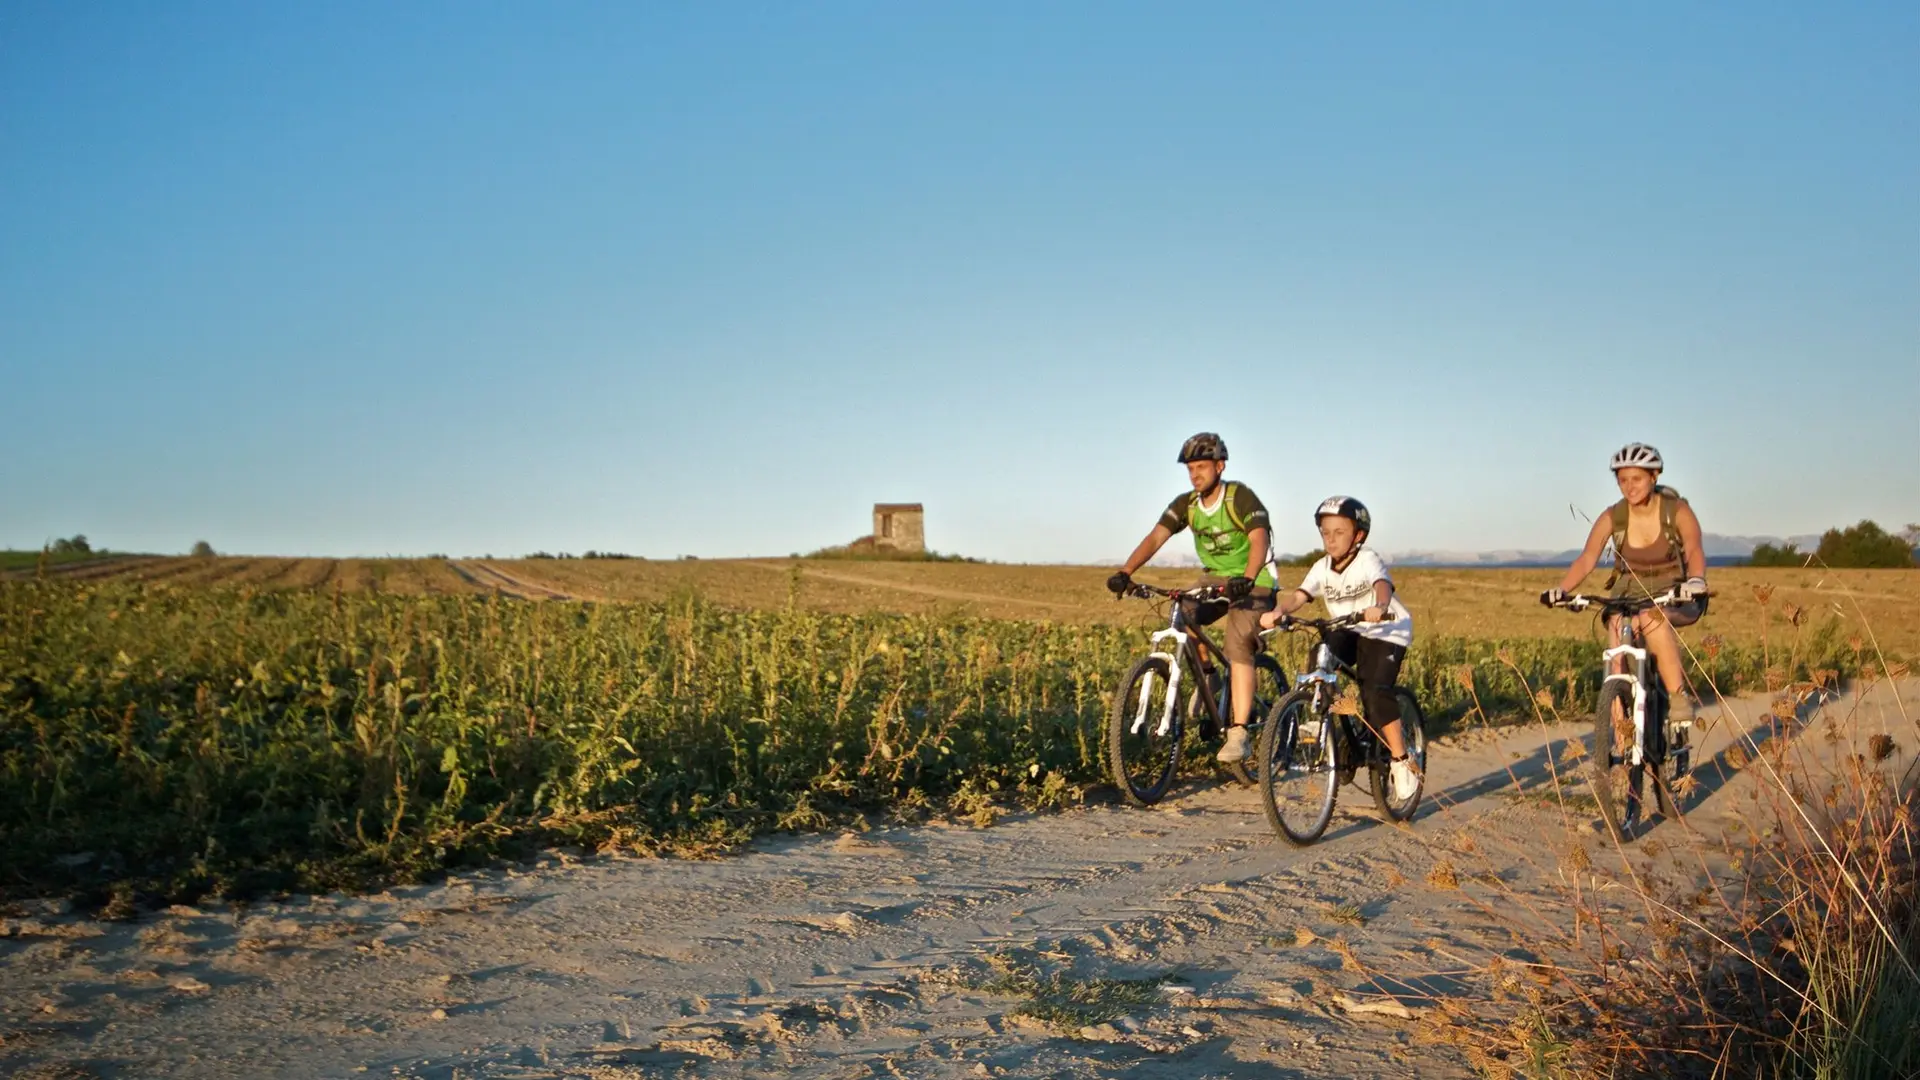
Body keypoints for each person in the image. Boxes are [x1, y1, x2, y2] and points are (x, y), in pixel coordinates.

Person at [1107, 432, 1277, 762]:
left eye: (1201, 466)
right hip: (1215, 578)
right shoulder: (1187, 504)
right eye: (1190, 468)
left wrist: (1247, 577)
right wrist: (1126, 573)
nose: (1195, 473)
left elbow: (1259, 539)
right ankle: (1210, 679)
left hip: (1254, 579)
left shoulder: (1238, 497)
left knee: (1238, 641)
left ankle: (1239, 732)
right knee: (1182, 612)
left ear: (1220, 466)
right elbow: (1156, 537)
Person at [1258, 497, 1420, 802]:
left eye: (1339, 532)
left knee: (1374, 691)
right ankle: (1318, 716)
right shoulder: (1322, 567)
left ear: (1358, 535)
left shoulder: (1367, 559)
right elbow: (1300, 596)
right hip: (1349, 627)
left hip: (1387, 629)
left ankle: (1401, 759)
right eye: (1325, 532)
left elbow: (1381, 583)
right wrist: (1279, 612)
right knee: (1321, 653)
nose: (1330, 539)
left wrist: (1380, 606)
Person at [1540, 442, 1709, 729]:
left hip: (1675, 593)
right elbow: (1587, 558)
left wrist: (1695, 580)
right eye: (1622, 480)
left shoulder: (1676, 511)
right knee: (1617, 632)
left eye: (1637, 479)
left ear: (1654, 477)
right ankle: (1619, 745)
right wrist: (1563, 590)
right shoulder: (1614, 516)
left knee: (1650, 619)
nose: (1629, 487)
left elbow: (1693, 549)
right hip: (1628, 593)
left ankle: (1677, 696)